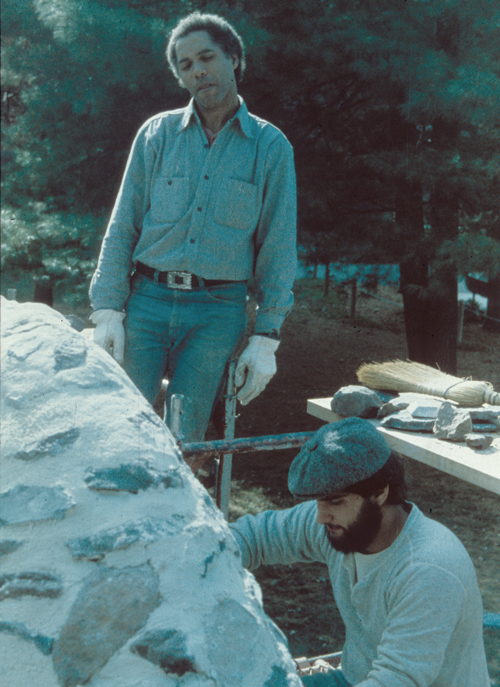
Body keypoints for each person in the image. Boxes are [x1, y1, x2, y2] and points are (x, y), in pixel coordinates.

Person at [88, 12, 297, 455]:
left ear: (234, 58)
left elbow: (277, 246)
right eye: (185, 65)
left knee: (184, 438)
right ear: (180, 77)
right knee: (121, 427)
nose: (198, 70)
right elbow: (123, 223)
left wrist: (267, 336)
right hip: (145, 303)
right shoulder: (156, 135)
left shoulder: (270, 147)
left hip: (216, 313)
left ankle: (168, 521)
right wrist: (108, 308)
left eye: (207, 57)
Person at [230, 418, 490, 687]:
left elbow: (396, 680)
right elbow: (255, 537)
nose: (320, 517)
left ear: (379, 493)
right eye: (318, 501)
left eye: (335, 501)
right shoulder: (341, 523)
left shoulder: (428, 569)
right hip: (357, 678)